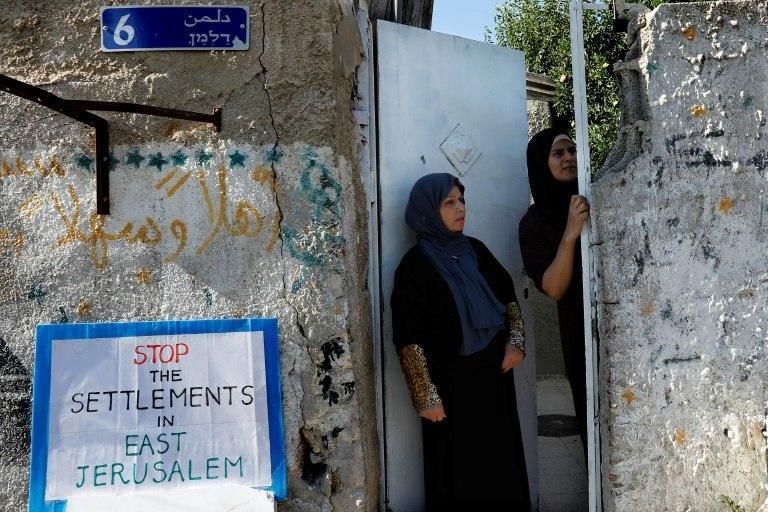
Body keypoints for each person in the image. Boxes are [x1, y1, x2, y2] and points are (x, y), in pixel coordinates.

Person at [391, 173, 531, 509]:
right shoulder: (414, 267)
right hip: (450, 388)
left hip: (493, 378)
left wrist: (515, 342)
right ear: (427, 210)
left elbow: (508, 299)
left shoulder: (476, 250)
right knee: (456, 474)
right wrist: (426, 395)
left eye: (461, 200)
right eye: (449, 202)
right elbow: (408, 338)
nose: (460, 208)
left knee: (500, 465)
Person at [518, 128, 590, 451]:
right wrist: (571, 233)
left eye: (572, 150)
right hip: (580, 328)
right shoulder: (534, 223)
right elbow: (555, 288)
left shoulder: (593, 197)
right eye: (558, 153)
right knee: (593, 413)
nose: (569, 158)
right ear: (540, 162)